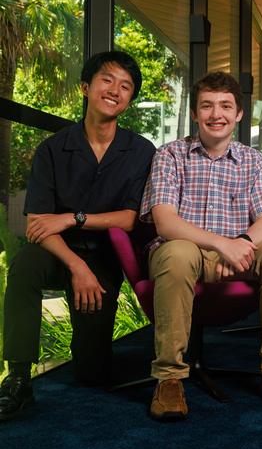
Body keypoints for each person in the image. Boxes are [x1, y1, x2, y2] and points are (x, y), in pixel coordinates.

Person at [0, 51, 156, 421]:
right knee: (23, 267)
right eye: (107, 80)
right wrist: (75, 267)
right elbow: (38, 225)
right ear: (86, 87)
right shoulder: (53, 149)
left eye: (126, 86)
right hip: (56, 254)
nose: (115, 90)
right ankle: (18, 378)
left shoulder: (141, 151)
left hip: (104, 258)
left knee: (92, 374)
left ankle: (88, 346)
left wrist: (72, 218)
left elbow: (131, 219)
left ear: (130, 99)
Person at [140, 71, 262, 421]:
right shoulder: (170, 155)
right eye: (207, 106)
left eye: (226, 106)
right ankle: (169, 378)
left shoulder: (253, 159)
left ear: (239, 114)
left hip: (237, 251)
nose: (217, 114)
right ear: (195, 114)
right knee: (180, 253)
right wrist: (221, 245)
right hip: (180, 251)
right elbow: (166, 223)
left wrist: (240, 244)